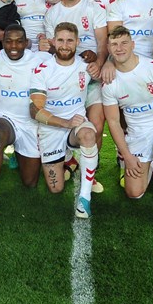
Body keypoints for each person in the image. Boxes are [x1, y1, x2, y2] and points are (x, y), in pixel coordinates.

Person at [101, 26, 153, 225]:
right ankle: (152, 162)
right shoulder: (109, 82)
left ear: (133, 44)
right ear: (109, 48)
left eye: (124, 43)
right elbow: (113, 122)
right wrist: (128, 157)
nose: (119, 48)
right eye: (114, 44)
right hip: (137, 135)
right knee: (134, 193)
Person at [0, 24, 50, 223]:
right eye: (8, 41)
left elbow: (65, 62)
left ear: (27, 43)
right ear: (2, 41)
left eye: (18, 41)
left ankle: (18, 152)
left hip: (31, 124)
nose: (13, 46)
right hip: (6, 118)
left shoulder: (40, 59)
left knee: (30, 182)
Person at [41, 0, 108, 180]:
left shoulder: (94, 7)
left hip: (92, 75)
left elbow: (102, 41)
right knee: (68, 122)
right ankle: (68, 158)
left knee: (96, 124)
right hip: (67, 79)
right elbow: (53, 48)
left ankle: (91, 172)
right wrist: (47, 46)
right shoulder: (52, 13)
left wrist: (99, 63)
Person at [29, 22, 99, 217]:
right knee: (55, 188)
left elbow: (106, 74)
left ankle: (84, 198)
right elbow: (35, 111)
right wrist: (65, 123)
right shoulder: (42, 69)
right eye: (60, 40)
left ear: (77, 42)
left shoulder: (86, 67)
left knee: (88, 134)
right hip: (51, 127)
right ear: (53, 41)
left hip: (77, 126)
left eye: (70, 40)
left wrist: (103, 64)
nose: (65, 45)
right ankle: (68, 158)